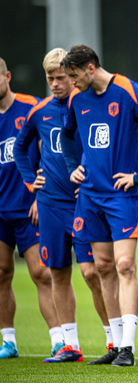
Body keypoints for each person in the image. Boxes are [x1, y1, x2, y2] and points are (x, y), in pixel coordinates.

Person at [60, 44, 138, 366]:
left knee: (124, 266)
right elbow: (66, 136)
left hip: (121, 195)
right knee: (102, 268)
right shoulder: (78, 99)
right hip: (89, 195)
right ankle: (116, 346)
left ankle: (128, 348)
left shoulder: (127, 89)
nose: (71, 83)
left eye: (74, 76)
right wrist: (72, 164)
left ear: (90, 68)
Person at [13, 48, 112, 363]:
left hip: (85, 201)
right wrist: (31, 181)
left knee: (93, 272)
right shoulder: (39, 111)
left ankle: (115, 342)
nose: (56, 83)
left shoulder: (89, 106)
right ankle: (70, 345)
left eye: (61, 77)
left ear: (73, 76)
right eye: (50, 78)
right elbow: (20, 146)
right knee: (57, 271)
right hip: (51, 203)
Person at [0, 57, 64, 360]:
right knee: (1, 273)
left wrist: (40, 195)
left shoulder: (31, 107)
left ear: (7, 76)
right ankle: (8, 341)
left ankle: (58, 339)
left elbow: (48, 153)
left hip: (29, 206)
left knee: (42, 273)